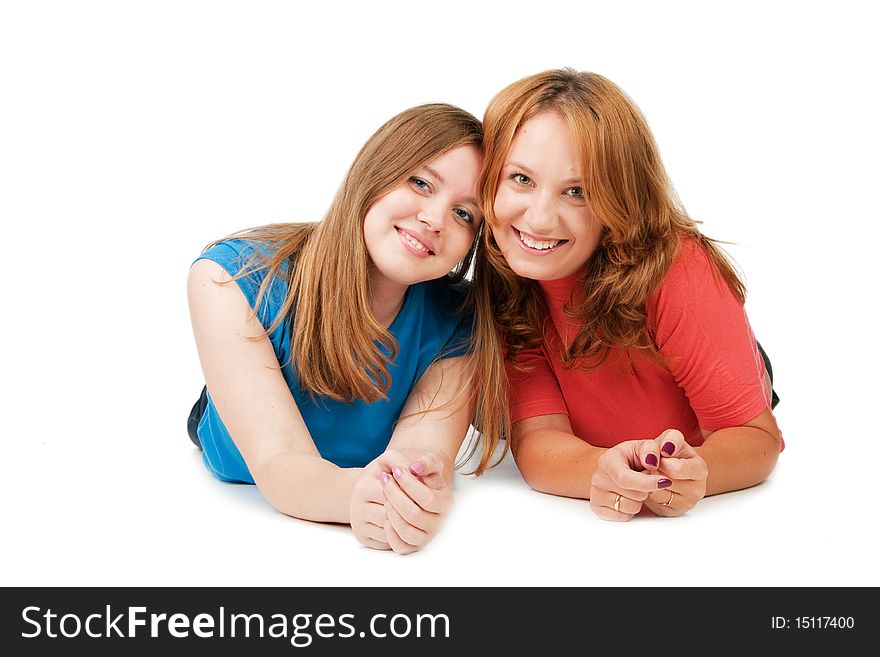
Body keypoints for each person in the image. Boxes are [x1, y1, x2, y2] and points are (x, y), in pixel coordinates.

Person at [186, 103, 502, 552]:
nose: (434, 219)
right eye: (420, 183)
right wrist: (356, 497)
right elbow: (280, 463)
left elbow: (417, 453)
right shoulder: (230, 277)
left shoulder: (460, 319)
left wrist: (411, 496)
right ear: (375, 170)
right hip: (243, 451)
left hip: (356, 460)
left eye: (464, 214)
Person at [472, 69, 783, 521]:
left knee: (737, 378)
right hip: (603, 407)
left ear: (618, 200)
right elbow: (540, 442)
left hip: (684, 346)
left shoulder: (680, 271)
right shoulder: (504, 278)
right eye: (521, 179)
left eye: (576, 192)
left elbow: (756, 438)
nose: (538, 219)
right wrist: (602, 470)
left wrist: (701, 471)